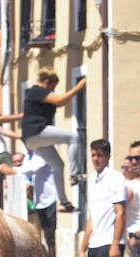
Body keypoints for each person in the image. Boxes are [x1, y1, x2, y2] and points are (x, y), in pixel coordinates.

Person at [22, 69, 87, 212]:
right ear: (46, 82)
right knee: (74, 137)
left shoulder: (37, 94)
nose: (53, 91)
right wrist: (79, 86)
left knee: (58, 165)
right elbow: (59, 100)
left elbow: (60, 103)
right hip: (37, 131)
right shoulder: (37, 90)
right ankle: (74, 174)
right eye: (52, 87)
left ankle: (64, 202)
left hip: (31, 138)